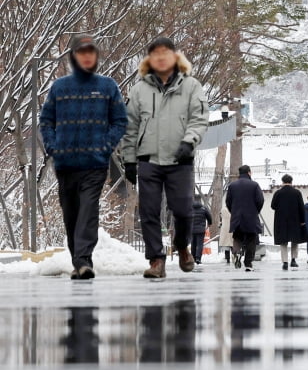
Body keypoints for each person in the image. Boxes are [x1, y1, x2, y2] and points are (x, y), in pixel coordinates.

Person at [38, 34, 127, 280]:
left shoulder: (107, 86)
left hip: (95, 164)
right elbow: (46, 121)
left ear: (96, 56)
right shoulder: (59, 87)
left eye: (91, 52)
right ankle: (78, 262)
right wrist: (53, 147)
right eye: (82, 52)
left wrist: (105, 145)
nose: (87, 56)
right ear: (74, 56)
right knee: (72, 214)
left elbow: (120, 121)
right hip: (65, 164)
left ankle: (84, 260)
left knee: (88, 211)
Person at [120, 36, 209, 280]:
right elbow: (130, 127)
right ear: (149, 59)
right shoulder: (139, 90)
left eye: (165, 52)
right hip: (148, 159)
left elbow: (199, 119)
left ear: (175, 56)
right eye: (155, 53)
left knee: (182, 211)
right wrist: (128, 159)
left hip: (181, 160)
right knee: (148, 211)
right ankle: (156, 259)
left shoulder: (191, 86)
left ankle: (182, 247)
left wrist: (188, 141)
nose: (160, 57)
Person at [225, 165, 264, 272]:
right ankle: (248, 263)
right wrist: (255, 211)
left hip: (237, 216)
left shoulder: (232, 186)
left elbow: (228, 201)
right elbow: (260, 200)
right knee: (251, 239)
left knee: (237, 237)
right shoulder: (254, 185)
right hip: (251, 217)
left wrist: (233, 211)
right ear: (249, 173)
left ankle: (236, 253)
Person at [271, 174, 306, 271]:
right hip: (295, 220)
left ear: (282, 182)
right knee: (295, 240)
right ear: (291, 182)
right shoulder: (297, 193)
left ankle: (285, 262)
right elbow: (301, 208)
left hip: (281, 220)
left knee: (283, 242)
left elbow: (273, 206)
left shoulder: (278, 193)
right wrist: (303, 221)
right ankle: (293, 260)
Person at [190, 199, 211, 265]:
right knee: (199, 244)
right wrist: (210, 223)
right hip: (201, 230)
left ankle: (193, 258)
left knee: (193, 244)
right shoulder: (204, 209)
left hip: (192, 229)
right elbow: (209, 217)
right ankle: (198, 258)